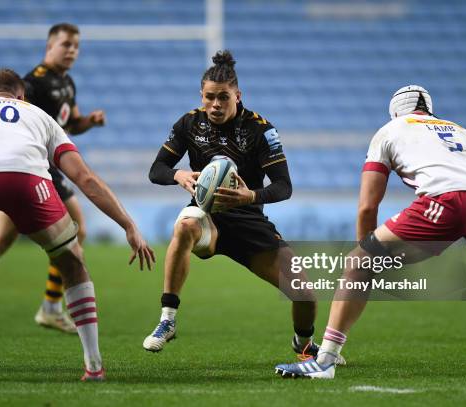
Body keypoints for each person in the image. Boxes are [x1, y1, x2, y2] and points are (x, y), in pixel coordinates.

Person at [274, 85, 466, 378]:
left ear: (395, 111)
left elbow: (367, 207)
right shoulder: (461, 131)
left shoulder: (390, 130)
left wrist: (366, 257)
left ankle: (326, 360)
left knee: (357, 263)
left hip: (446, 201)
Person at [0, 68, 154, 381]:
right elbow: (84, 178)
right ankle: (94, 366)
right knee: (72, 262)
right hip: (25, 181)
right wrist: (128, 224)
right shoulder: (38, 115)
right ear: (22, 95)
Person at [141, 50, 345, 364]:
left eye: (223, 97)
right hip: (208, 218)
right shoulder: (188, 124)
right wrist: (177, 174)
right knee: (185, 224)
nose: (215, 105)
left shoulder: (261, 131)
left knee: (304, 294)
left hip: (249, 221)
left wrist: (251, 197)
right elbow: (156, 170)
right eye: (209, 97)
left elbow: (283, 186)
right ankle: (167, 319)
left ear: (238, 95)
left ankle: (304, 345)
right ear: (201, 95)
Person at [0, 23, 107, 338]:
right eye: (66, 44)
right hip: (33, 169)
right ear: (49, 46)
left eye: (76, 45)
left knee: (0, 241)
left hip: (34, 170)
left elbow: (70, 124)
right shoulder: (32, 84)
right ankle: (49, 307)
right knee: (75, 231)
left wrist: (88, 121)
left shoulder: (67, 83)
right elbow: (15, 119)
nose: (72, 50)